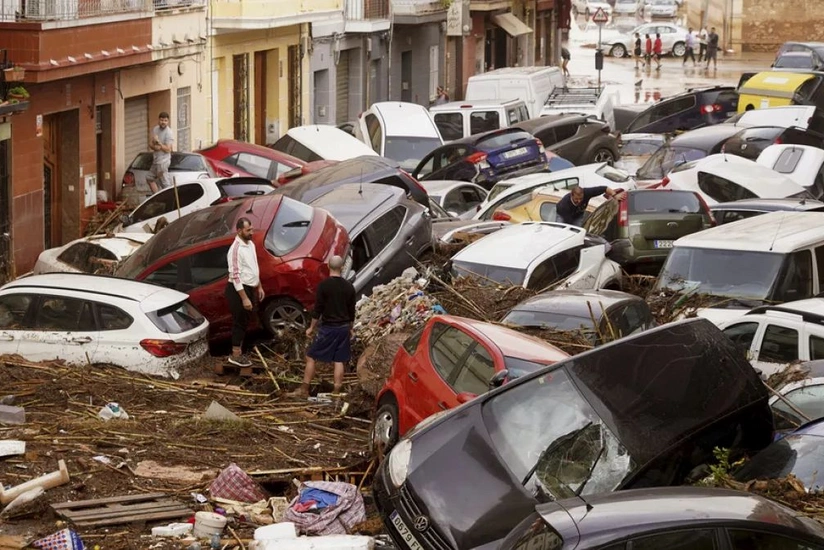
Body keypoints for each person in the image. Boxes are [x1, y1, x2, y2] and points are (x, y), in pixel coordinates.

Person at [289, 255, 356, 398]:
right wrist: (350, 328)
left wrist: (311, 328)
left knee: (311, 356)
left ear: (328, 267)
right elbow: (351, 311)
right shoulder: (349, 287)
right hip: (343, 328)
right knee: (339, 360)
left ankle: (304, 389)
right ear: (342, 267)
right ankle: (336, 391)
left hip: (329, 328)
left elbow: (317, 310)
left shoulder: (323, 286)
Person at [225, 217, 264, 368]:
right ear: (239, 230)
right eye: (248, 230)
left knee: (247, 319)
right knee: (240, 321)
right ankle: (235, 355)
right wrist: (244, 298)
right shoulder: (235, 250)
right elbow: (235, 276)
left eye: (251, 229)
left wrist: (259, 286)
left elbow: (254, 267)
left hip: (250, 287)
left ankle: (240, 351)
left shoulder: (251, 244)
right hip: (238, 290)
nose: (251, 232)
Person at [556, 186, 625, 227]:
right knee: (561, 230)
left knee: (578, 231)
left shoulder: (587, 192)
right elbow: (569, 223)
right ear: (572, 195)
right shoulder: (564, 205)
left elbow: (605, 188)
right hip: (563, 215)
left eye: (581, 199)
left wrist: (615, 195)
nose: (579, 201)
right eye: (576, 199)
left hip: (578, 214)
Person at [148, 111, 174, 194]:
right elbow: (151, 144)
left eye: (165, 121)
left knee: (165, 184)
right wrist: (154, 147)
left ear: (168, 121)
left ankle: (169, 200)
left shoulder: (169, 133)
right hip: (156, 160)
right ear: (159, 120)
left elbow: (168, 149)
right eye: (162, 120)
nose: (163, 122)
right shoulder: (156, 129)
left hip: (163, 162)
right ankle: (156, 197)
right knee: (149, 178)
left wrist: (159, 144)